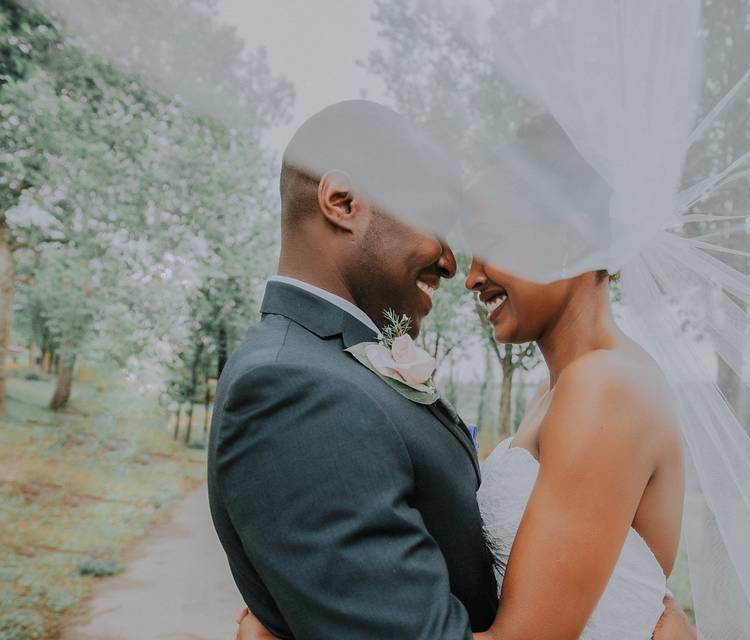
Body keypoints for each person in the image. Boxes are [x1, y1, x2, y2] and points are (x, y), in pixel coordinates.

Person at [212, 101, 695, 640]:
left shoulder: (603, 388)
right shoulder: (298, 384)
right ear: (341, 203)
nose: (464, 272)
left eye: (489, 242)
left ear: (571, 239)